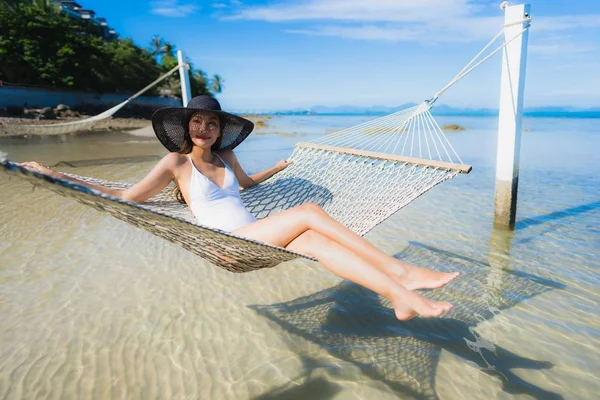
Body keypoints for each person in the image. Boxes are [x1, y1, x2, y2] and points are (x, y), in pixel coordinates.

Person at [20, 95, 459, 321]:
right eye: (199, 122)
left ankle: (399, 297)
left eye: (213, 123)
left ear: (220, 129)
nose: (206, 128)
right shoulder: (176, 162)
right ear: (186, 126)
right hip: (228, 245)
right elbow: (125, 196)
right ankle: (401, 273)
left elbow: (247, 186)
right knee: (307, 212)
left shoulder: (227, 158)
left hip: (260, 235)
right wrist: (60, 176)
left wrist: (280, 166)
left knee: (315, 240)